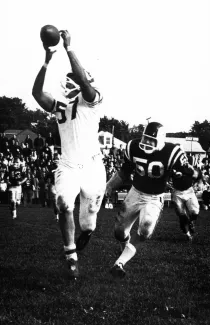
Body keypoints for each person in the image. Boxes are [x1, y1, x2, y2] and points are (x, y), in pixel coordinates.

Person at [32, 29, 106, 278]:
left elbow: (85, 84)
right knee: (63, 203)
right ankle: (71, 255)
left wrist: (69, 48)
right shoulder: (61, 106)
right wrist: (46, 60)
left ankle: (85, 233)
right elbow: (37, 94)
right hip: (68, 164)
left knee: (88, 224)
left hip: (93, 166)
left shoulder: (93, 100)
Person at [106, 121, 199, 279]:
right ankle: (125, 248)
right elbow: (124, 173)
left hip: (154, 197)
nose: (147, 143)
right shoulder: (133, 147)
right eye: (146, 139)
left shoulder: (172, 152)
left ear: (161, 140)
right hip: (135, 193)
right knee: (119, 232)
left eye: (151, 140)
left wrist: (181, 175)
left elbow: (188, 179)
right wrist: (108, 186)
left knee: (146, 228)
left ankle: (119, 263)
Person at [171, 165, 202, 241]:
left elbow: (197, 175)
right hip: (177, 192)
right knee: (182, 215)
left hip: (189, 191)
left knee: (195, 212)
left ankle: (190, 222)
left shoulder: (189, 166)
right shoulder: (173, 165)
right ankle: (188, 235)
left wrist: (191, 171)